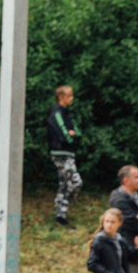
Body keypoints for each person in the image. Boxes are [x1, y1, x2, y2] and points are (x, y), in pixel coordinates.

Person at [46, 85, 81, 226]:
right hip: (60, 152)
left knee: (64, 184)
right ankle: (61, 210)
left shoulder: (67, 113)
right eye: (69, 96)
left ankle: (60, 216)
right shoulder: (56, 113)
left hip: (68, 152)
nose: (71, 98)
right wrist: (71, 136)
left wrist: (74, 134)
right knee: (75, 182)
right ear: (60, 97)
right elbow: (64, 134)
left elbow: (77, 132)